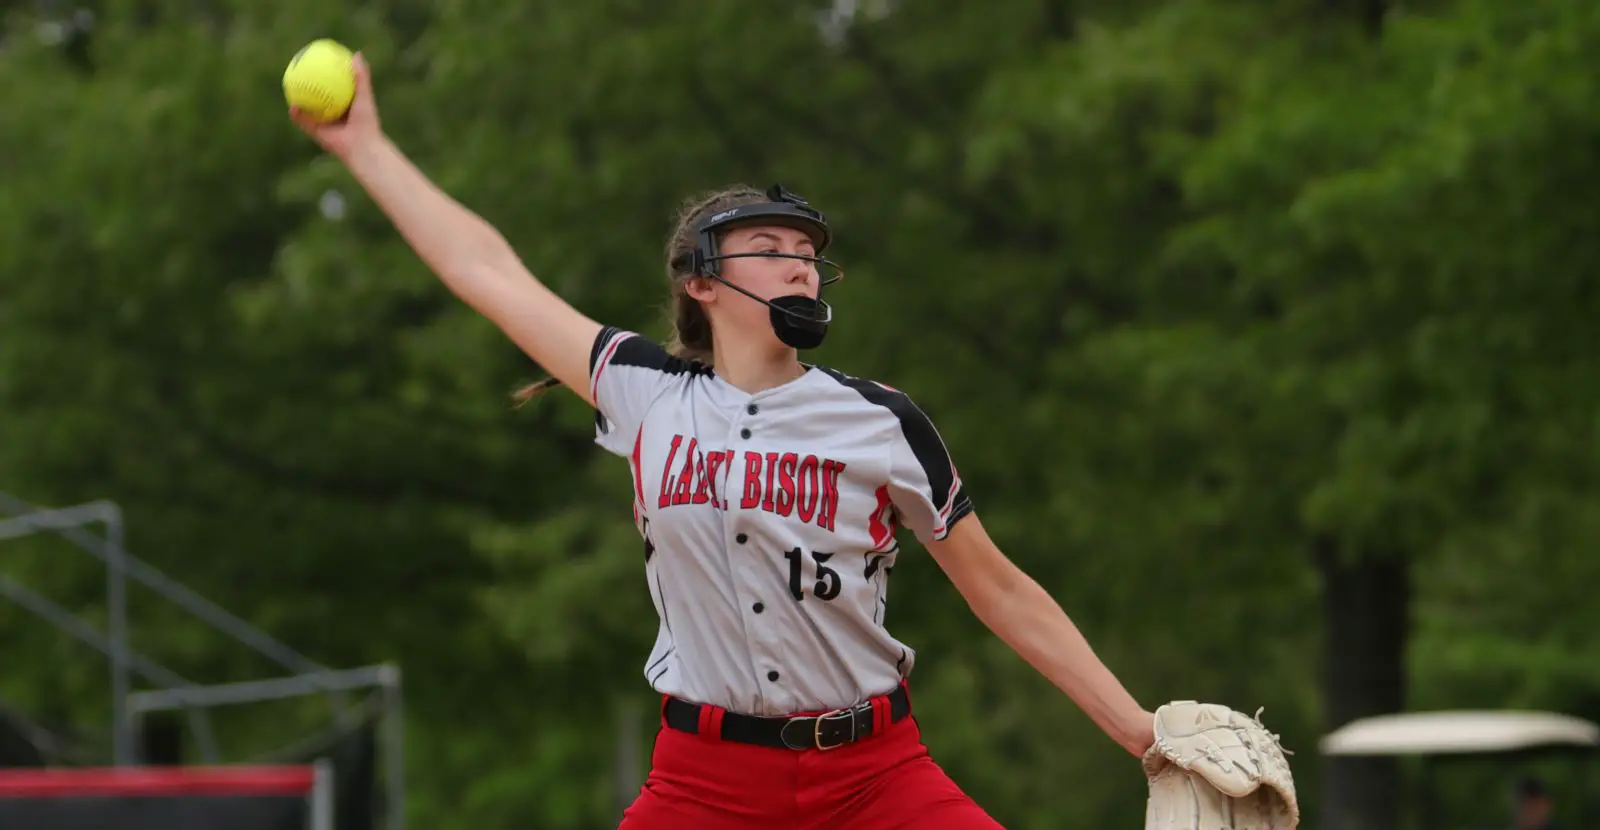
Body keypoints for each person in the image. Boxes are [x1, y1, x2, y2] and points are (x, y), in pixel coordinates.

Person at [290, 53, 1156, 829]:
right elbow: (484, 270)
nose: (799, 265)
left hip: (873, 778)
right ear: (701, 280)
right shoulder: (643, 392)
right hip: (704, 786)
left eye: (810, 255)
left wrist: (1143, 735)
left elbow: (1001, 591)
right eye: (770, 248)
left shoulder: (879, 420)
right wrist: (366, 149)